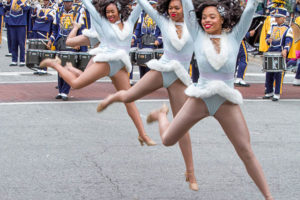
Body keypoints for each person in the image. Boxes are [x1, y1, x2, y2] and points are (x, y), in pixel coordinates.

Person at [145, 0, 274, 199]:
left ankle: (268, 196)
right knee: (168, 140)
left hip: (226, 102)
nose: (207, 20)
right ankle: (162, 115)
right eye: (204, 17)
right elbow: (187, 6)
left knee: (246, 151)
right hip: (200, 99)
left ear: (222, 19)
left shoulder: (234, 36)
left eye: (212, 17)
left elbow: (249, 10)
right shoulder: (197, 35)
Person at [97, 0, 198, 191]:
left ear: (184, 8)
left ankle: (190, 172)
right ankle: (111, 98)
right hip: (162, 70)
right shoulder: (163, 21)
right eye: (170, 8)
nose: (173, 11)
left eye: (177, 7)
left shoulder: (193, 25)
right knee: (128, 96)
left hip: (180, 78)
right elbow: (146, 5)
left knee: (181, 128)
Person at [40, 0, 156, 146]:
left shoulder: (129, 22)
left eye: (112, 12)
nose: (110, 15)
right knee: (76, 84)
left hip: (120, 67)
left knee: (129, 100)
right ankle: (55, 64)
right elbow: (89, 5)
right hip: (105, 62)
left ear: (119, 11)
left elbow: (141, 5)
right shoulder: (102, 24)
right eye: (107, 12)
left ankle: (142, 134)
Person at [48, 0, 88, 101]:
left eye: (69, 2)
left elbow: (82, 30)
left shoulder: (78, 13)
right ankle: (60, 90)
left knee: (69, 67)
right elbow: (55, 29)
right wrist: (51, 40)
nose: (67, 4)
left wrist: (78, 42)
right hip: (61, 42)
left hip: (72, 42)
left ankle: (65, 91)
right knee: (60, 66)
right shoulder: (59, 12)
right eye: (66, 2)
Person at [263, 7, 293, 101]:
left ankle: (276, 93)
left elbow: (288, 40)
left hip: (279, 52)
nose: (276, 19)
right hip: (271, 51)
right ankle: (269, 91)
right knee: (269, 73)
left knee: (278, 73)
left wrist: (285, 49)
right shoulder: (272, 26)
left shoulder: (288, 28)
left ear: (284, 18)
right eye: (275, 17)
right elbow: (267, 38)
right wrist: (268, 40)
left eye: (278, 17)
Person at [132, 0, 162, 78]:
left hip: (153, 45)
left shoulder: (159, 16)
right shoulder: (142, 15)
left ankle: (149, 85)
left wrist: (158, 40)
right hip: (142, 44)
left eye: (152, 4)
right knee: (141, 66)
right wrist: (133, 38)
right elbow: (138, 29)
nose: (150, 6)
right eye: (149, 4)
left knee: (150, 68)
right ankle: (142, 83)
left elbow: (163, 31)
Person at [31, 0, 55, 75]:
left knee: (44, 50)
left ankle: (44, 68)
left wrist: (41, 13)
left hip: (44, 30)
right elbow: (33, 18)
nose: (44, 2)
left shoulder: (52, 8)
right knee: (37, 49)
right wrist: (35, 10)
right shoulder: (39, 7)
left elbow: (49, 18)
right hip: (36, 28)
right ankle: (39, 66)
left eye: (46, 0)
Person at [4, 0, 30, 67]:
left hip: (21, 24)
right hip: (12, 23)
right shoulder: (12, 0)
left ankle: (22, 60)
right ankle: (14, 60)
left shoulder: (26, 1)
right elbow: (6, 9)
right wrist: (8, 3)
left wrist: (21, 3)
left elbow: (27, 9)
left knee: (21, 43)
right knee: (13, 43)